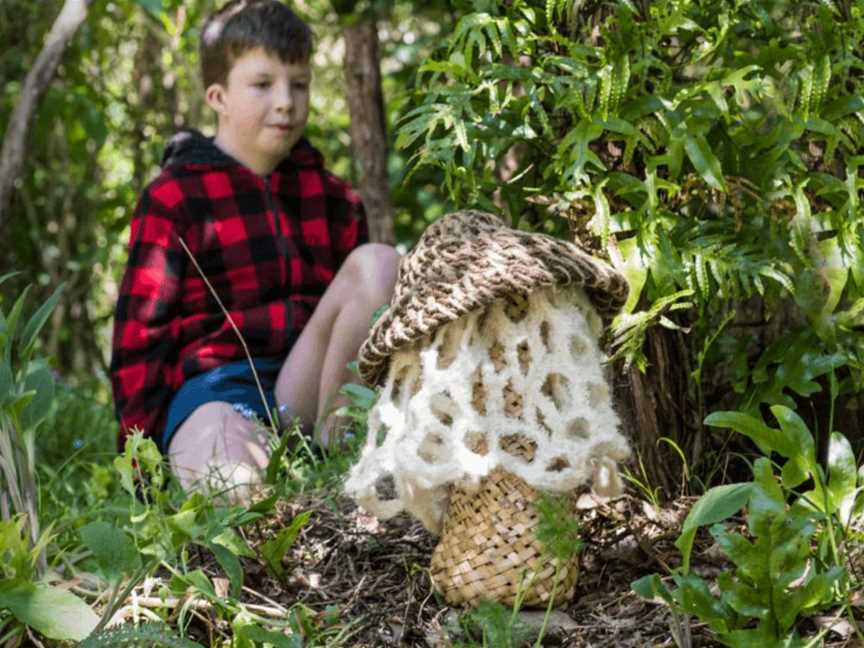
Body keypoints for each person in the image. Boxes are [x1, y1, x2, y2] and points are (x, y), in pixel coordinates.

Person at [110, 0, 400, 501]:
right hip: (217, 393)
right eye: (263, 85)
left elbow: (365, 325)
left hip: (311, 388)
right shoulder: (175, 196)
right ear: (219, 96)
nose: (286, 102)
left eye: (300, 84)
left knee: (378, 263)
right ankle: (252, 474)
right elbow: (140, 343)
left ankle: (339, 455)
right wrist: (140, 465)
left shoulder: (334, 199)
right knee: (235, 492)